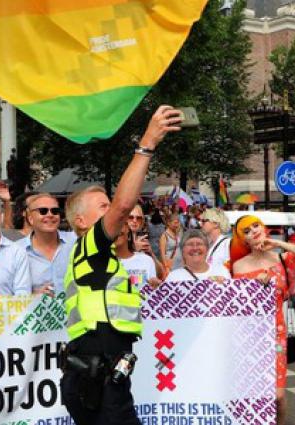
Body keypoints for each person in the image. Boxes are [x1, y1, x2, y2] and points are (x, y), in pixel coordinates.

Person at [61, 105, 182, 425]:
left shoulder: (99, 260)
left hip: (98, 376)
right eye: (105, 206)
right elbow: (125, 204)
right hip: (97, 378)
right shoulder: (89, 246)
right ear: (82, 221)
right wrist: (148, 142)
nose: (117, 212)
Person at [230, 215, 295, 425]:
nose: (253, 232)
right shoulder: (238, 267)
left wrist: (277, 243)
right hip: (248, 336)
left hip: (277, 334)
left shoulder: (282, 259)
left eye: (256, 226)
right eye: (246, 231)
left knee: (277, 396)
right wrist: (255, 288)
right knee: (253, 393)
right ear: (244, 240)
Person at [13, 193, 76, 295]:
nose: (50, 215)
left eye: (55, 211)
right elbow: (8, 292)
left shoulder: (75, 241)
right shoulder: (15, 251)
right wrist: (33, 296)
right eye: (43, 211)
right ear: (30, 218)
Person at [165, 229, 231, 282]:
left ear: (207, 249)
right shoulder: (173, 278)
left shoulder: (222, 271)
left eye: (199, 244)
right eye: (190, 244)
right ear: (183, 251)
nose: (195, 248)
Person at [115, 222, 162, 290]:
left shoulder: (146, 260)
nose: (115, 229)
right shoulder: (101, 263)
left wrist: (155, 286)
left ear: (128, 232)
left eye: (120, 224)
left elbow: (155, 284)